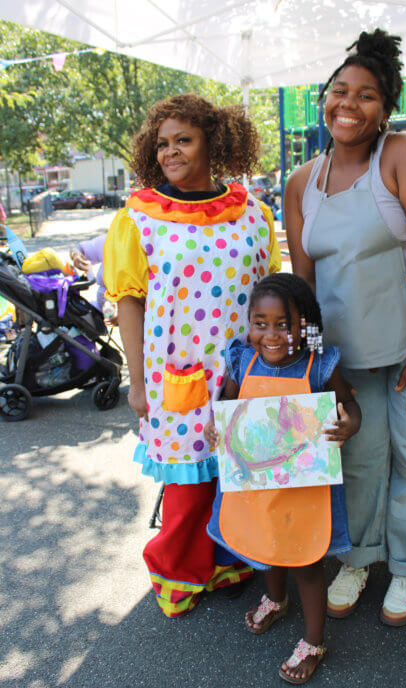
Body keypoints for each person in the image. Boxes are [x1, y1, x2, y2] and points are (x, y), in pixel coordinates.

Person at [285, 28, 406, 627]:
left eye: (367, 95)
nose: (348, 104)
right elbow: (305, 285)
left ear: (386, 109)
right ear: (323, 98)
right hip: (350, 342)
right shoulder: (299, 183)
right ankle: (360, 558)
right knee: (355, 452)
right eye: (340, 91)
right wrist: (313, 364)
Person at [103, 93, 281, 618]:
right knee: (189, 486)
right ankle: (177, 572)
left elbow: (271, 288)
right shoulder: (140, 216)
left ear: (215, 142)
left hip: (248, 373)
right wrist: (137, 383)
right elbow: (129, 302)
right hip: (176, 376)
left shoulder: (253, 212)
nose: (171, 153)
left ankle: (230, 560)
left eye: (184, 140)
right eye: (162, 144)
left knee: (241, 474)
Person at [204, 273, 361, 684]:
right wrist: (216, 428)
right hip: (256, 486)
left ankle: (314, 640)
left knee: (305, 561)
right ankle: (275, 597)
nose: (270, 335)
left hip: (304, 493)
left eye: (283, 324)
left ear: (304, 326)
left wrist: (348, 426)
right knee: (263, 544)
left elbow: (348, 405)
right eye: (260, 323)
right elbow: (229, 403)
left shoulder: (319, 366)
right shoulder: (243, 359)